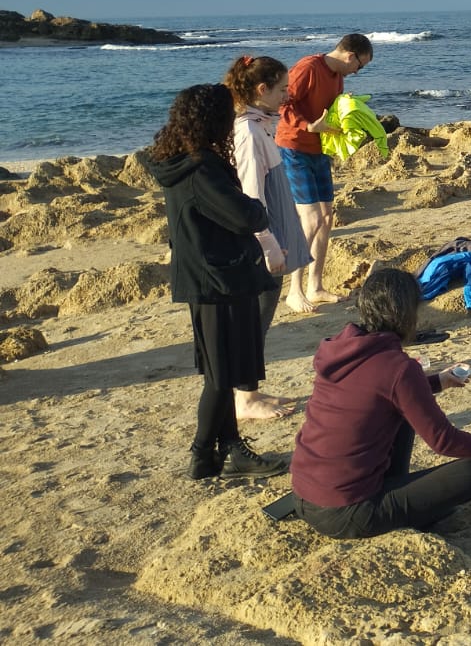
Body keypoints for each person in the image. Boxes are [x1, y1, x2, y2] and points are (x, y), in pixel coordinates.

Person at [291, 267, 471, 538]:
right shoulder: (398, 367)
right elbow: (444, 441)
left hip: (303, 494)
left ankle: (395, 490)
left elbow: (374, 390)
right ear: (407, 313)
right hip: (347, 512)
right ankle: (405, 513)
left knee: (402, 413)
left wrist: (436, 382)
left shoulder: (339, 348)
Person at [148, 84, 289, 480]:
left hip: (209, 275)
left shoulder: (182, 161)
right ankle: (200, 454)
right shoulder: (200, 168)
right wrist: (258, 208)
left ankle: (228, 447)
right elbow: (245, 216)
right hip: (218, 279)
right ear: (215, 121)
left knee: (222, 371)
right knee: (220, 375)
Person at [223, 54, 314, 421]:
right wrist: (267, 243)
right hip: (264, 235)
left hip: (271, 228)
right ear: (261, 89)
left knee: (261, 314)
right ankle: (245, 398)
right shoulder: (247, 131)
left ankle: (249, 391)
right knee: (254, 318)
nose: (287, 96)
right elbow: (251, 193)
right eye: (281, 90)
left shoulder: (260, 124)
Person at [275, 33, 373, 306]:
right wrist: (308, 126)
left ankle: (314, 286)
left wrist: (350, 113)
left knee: (327, 217)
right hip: (294, 148)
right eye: (360, 65)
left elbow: (331, 110)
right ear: (350, 55)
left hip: (320, 149)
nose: (357, 71)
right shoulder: (308, 68)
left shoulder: (338, 77)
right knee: (311, 219)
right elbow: (282, 103)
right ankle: (294, 290)